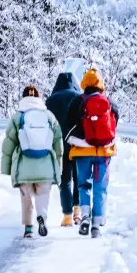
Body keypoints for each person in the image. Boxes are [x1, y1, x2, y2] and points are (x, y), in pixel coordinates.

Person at [1, 84, 63, 239]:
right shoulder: (49, 116)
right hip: (45, 166)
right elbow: (58, 143)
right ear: (39, 98)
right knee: (43, 194)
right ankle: (42, 215)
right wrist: (58, 165)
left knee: (26, 197)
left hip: (24, 166)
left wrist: (6, 168)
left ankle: (28, 228)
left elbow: (9, 144)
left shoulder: (17, 117)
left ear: (23, 98)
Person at [66, 68, 119, 238]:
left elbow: (68, 124)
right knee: (100, 187)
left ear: (84, 83)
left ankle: (85, 217)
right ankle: (97, 223)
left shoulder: (76, 102)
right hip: (103, 152)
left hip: (82, 151)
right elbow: (114, 124)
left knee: (83, 185)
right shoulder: (109, 102)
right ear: (100, 84)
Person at [46, 70, 82, 226]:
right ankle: (77, 212)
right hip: (77, 144)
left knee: (65, 180)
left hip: (59, 145)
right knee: (79, 178)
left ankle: (67, 216)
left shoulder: (50, 101)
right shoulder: (79, 98)